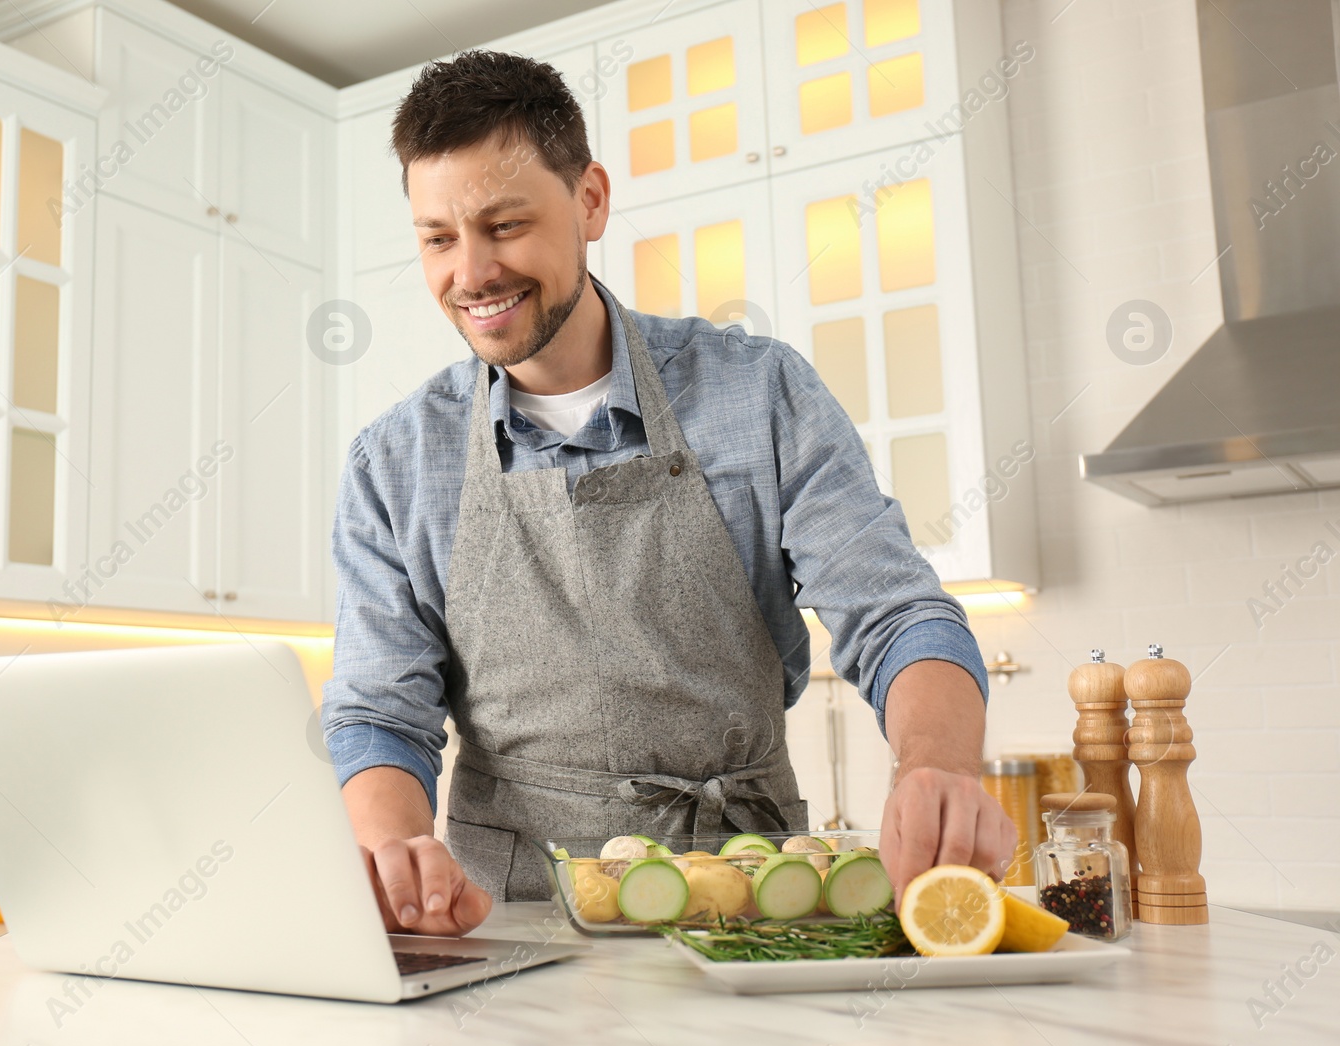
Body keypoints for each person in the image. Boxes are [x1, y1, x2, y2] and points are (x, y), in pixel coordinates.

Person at [322, 50, 1015, 936]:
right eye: (438, 238)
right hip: (512, 922)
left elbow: (899, 614)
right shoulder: (394, 460)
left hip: (757, 907)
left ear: (591, 201)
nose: (472, 271)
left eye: (505, 224)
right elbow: (381, 709)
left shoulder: (757, 393)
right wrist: (393, 844)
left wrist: (937, 764)